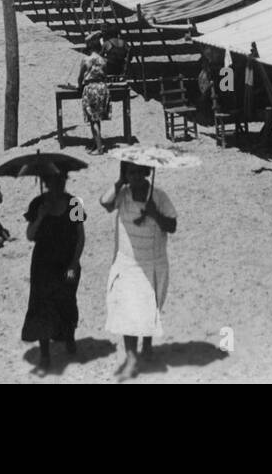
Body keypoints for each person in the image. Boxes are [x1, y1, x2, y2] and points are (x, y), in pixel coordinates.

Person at [100, 162, 178, 380]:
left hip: (153, 261)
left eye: (138, 171)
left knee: (149, 307)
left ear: (146, 172)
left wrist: (154, 214)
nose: (134, 176)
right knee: (128, 311)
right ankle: (131, 358)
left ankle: (148, 345)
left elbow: (172, 226)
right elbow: (104, 203)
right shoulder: (122, 195)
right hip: (128, 263)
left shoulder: (159, 196)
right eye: (129, 172)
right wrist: (119, 182)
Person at [22, 168, 85, 373]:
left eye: (61, 180)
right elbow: (30, 235)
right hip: (43, 266)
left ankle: (69, 337)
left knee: (67, 300)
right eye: (53, 181)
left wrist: (74, 263)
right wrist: (40, 216)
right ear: (46, 182)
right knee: (42, 305)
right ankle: (45, 354)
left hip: (68, 264)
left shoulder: (74, 203)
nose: (58, 184)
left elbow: (80, 235)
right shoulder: (38, 204)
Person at [77, 34, 110, 154]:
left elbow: (80, 77)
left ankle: (99, 148)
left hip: (91, 88)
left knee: (93, 119)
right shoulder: (103, 60)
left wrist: (79, 86)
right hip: (102, 88)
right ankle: (97, 142)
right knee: (97, 118)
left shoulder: (86, 60)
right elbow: (105, 74)